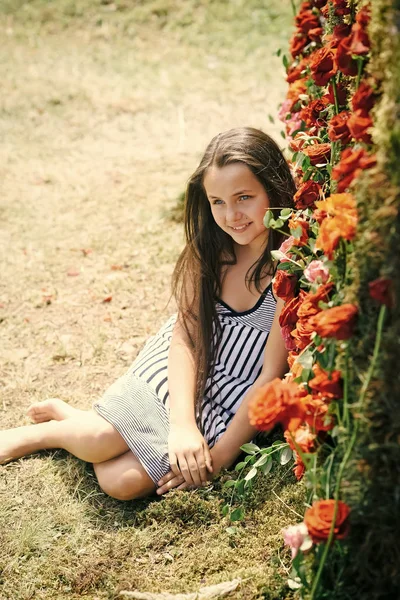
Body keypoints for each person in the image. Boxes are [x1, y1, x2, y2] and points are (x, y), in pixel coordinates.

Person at [0, 127, 295, 500]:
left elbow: (270, 376)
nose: (231, 214)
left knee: (122, 483)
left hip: (233, 393)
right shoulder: (210, 250)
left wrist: (219, 457)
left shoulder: (287, 269)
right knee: (98, 440)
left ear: (274, 188)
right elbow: (186, 338)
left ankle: (79, 420)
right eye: (217, 201)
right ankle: (45, 435)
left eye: (244, 198)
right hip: (185, 365)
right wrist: (182, 425)